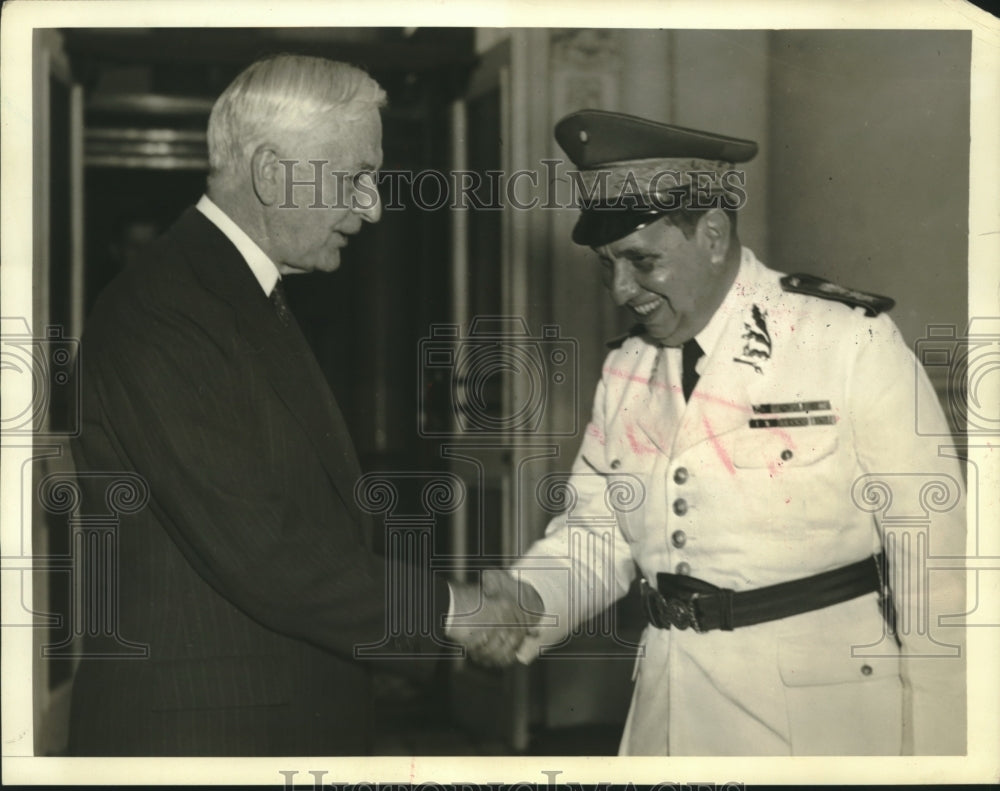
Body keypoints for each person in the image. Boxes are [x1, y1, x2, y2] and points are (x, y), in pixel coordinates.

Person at [472, 110, 967, 756]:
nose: (621, 289)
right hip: (667, 715)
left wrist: (941, 758)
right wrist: (529, 597)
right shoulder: (628, 367)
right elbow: (600, 533)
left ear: (710, 233)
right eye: (606, 265)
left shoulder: (846, 341)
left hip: (819, 729)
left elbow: (940, 576)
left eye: (640, 261)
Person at [66, 54, 518, 756]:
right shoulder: (166, 309)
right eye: (357, 176)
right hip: (205, 738)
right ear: (273, 172)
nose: (372, 205)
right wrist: (455, 611)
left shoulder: (230, 295)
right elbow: (266, 550)